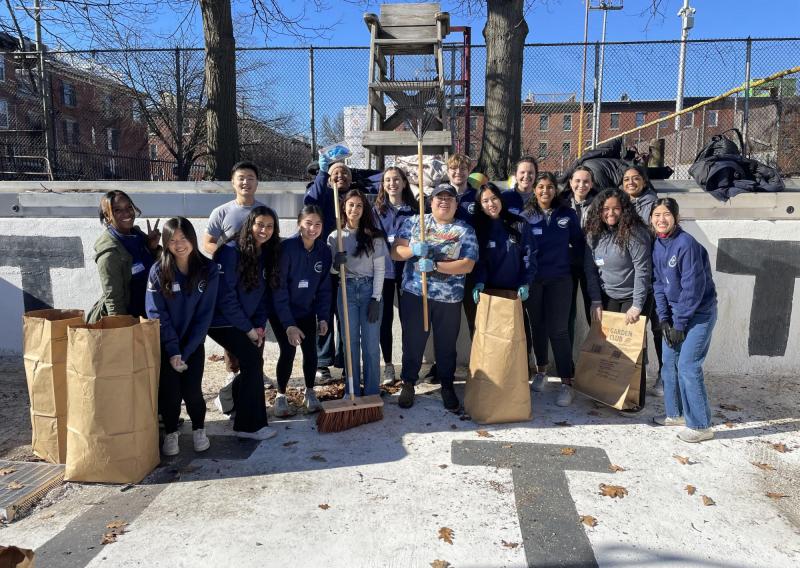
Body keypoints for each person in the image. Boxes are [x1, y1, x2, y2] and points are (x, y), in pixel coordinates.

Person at [392, 183, 478, 411]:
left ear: (456, 204)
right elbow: (396, 252)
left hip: (449, 299)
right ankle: (408, 382)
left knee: (446, 345)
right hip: (415, 294)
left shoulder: (465, 230)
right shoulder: (415, 222)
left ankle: (447, 385)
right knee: (413, 342)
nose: (444, 201)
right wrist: (413, 250)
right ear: (431, 201)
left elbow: (467, 265)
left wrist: (436, 266)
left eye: (449, 198)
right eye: (439, 197)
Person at [145, 217, 219, 456]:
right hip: (167, 346)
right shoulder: (158, 271)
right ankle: (171, 434)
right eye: (173, 240)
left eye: (183, 238)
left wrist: (185, 351)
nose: (179, 244)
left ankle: (199, 429)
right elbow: (156, 313)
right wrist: (173, 350)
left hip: (193, 344)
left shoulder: (208, 270)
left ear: (192, 238)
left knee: (193, 391)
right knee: (171, 394)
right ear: (166, 243)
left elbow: (204, 316)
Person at [206, 202, 279, 440]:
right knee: (250, 360)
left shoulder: (264, 254)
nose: (264, 230)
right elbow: (225, 298)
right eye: (260, 224)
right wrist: (248, 329)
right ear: (250, 225)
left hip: (246, 320)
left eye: (269, 226)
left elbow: (261, 296)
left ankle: (228, 400)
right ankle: (249, 427)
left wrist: (258, 326)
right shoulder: (229, 251)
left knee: (253, 361)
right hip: (221, 320)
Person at [651, 198, 718, 443]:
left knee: (689, 366)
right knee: (669, 365)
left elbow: (693, 289)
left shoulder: (686, 244)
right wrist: (665, 319)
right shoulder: (658, 244)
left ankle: (701, 425)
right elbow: (658, 284)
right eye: (656, 215)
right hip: (675, 314)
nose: (661, 219)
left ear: (676, 218)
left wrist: (679, 324)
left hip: (699, 314)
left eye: (666, 214)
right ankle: (676, 414)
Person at [583, 188, 652, 412]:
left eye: (615, 208)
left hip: (633, 297)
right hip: (608, 295)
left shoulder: (635, 233)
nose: (610, 213)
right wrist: (595, 301)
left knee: (632, 350)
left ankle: (633, 400)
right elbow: (591, 271)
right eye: (605, 209)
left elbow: (643, 270)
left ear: (624, 210)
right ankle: (606, 392)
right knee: (608, 347)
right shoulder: (593, 234)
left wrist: (637, 305)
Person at [202, 161, 270, 389]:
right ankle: (233, 373)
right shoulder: (221, 212)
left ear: (257, 183)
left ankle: (254, 370)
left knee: (255, 326)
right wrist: (229, 261)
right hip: (232, 280)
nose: (246, 182)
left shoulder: (263, 212)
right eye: (241, 178)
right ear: (233, 182)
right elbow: (208, 243)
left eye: (251, 178)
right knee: (234, 327)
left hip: (256, 280)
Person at [522, 172, 585, 407]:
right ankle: (541, 371)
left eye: (550, 187)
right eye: (540, 187)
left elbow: (579, 244)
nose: (545, 191)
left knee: (558, 330)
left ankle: (567, 383)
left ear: (556, 190)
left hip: (560, 280)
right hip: (534, 280)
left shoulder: (567, 215)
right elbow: (520, 249)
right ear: (535, 190)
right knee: (537, 326)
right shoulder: (526, 216)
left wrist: (568, 264)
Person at [270, 206, 332, 417]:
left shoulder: (323, 251)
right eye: (308, 223)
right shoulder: (286, 248)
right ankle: (280, 396)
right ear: (299, 224)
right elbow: (279, 290)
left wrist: (323, 317)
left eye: (317, 224)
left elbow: (324, 288)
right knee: (288, 351)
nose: (312, 228)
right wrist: (288, 325)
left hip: (306, 310)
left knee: (311, 351)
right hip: (282, 311)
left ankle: (310, 392)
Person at [328, 189, 387, 397]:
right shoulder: (335, 236)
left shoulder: (375, 237)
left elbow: (380, 269)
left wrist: (376, 298)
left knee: (371, 344)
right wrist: (336, 264)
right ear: (343, 207)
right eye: (350, 204)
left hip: (369, 289)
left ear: (364, 209)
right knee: (350, 343)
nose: (354, 209)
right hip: (346, 290)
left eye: (359, 205)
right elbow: (333, 271)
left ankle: (372, 391)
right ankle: (351, 390)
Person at [304, 157, 353, 382]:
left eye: (344, 173)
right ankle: (323, 362)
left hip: (348, 265)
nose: (340, 176)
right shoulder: (321, 195)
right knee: (324, 311)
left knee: (345, 313)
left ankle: (346, 361)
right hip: (323, 265)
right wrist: (323, 175)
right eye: (335, 173)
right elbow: (309, 202)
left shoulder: (354, 200)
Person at [622, 164, 664, 394]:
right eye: (626, 179)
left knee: (659, 326)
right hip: (634, 277)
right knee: (639, 328)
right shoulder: (622, 204)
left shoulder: (654, 205)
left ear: (644, 181)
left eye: (635, 178)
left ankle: (665, 375)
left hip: (655, 274)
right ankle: (641, 370)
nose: (630, 182)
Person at [87, 190, 160, 323]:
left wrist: (152, 248)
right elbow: (114, 299)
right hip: (130, 321)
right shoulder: (109, 253)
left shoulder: (137, 235)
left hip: (147, 316)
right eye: (117, 210)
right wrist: (122, 331)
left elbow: (151, 271)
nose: (126, 213)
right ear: (107, 215)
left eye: (129, 207)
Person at [373, 167, 416, 385]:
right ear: (383, 184)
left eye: (396, 179)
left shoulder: (414, 210)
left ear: (404, 183)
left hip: (409, 273)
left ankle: (410, 365)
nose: (392, 184)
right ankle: (389, 365)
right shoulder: (376, 210)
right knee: (385, 321)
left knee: (409, 321)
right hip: (385, 273)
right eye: (387, 180)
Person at [471, 182, 537, 312]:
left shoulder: (519, 224)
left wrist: (525, 282)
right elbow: (480, 261)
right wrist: (479, 282)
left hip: (516, 292)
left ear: (500, 199)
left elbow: (529, 254)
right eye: (485, 201)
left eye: (494, 198)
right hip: (489, 293)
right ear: (480, 206)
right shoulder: (479, 230)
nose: (491, 204)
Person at [562, 166, 598, 346]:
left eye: (586, 181)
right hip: (567, 265)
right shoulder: (561, 204)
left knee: (594, 311)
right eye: (577, 181)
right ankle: (567, 364)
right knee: (567, 314)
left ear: (591, 184)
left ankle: (598, 362)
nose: (581, 185)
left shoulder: (599, 204)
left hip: (590, 265)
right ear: (570, 183)